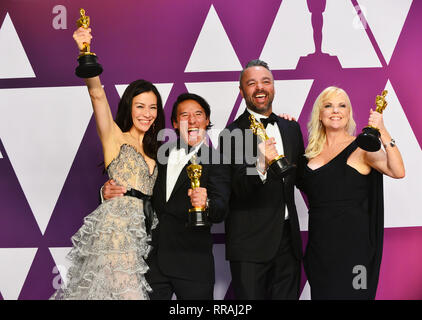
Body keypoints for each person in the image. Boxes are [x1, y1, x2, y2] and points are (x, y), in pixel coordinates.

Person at [50, 27, 165, 300]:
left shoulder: (157, 149)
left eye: (152, 107)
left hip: (141, 237)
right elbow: (97, 95)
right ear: (128, 107)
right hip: (114, 234)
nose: (147, 114)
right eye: (140, 106)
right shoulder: (114, 137)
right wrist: (84, 51)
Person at [103, 93, 231, 299]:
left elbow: (221, 208)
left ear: (207, 121)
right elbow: (136, 189)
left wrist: (205, 203)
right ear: (174, 122)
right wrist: (106, 192)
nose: (192, 120)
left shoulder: (218, 160)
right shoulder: (157, 153)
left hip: (193, 265)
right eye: (184, 115)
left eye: (198, 114)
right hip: (152, 262)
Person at [298, 86, 405, 299]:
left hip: (356, 253)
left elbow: (398, 171)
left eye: (341, 106)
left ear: (349, 114)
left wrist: (383, 132)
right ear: (319, 114)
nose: (335, 111)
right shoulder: (309, 154)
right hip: (320, 251)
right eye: (328, 106)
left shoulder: (362, 147)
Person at [221, 59, 305, 299]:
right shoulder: (232, 134)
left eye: (265, 81)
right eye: (251, 83)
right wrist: (260, 163)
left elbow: (301, 176)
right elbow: (236, 187)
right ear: (242, 91)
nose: (260, 88)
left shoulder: (291, 128)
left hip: (288, 243)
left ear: (274, 86)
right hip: (250, 246)